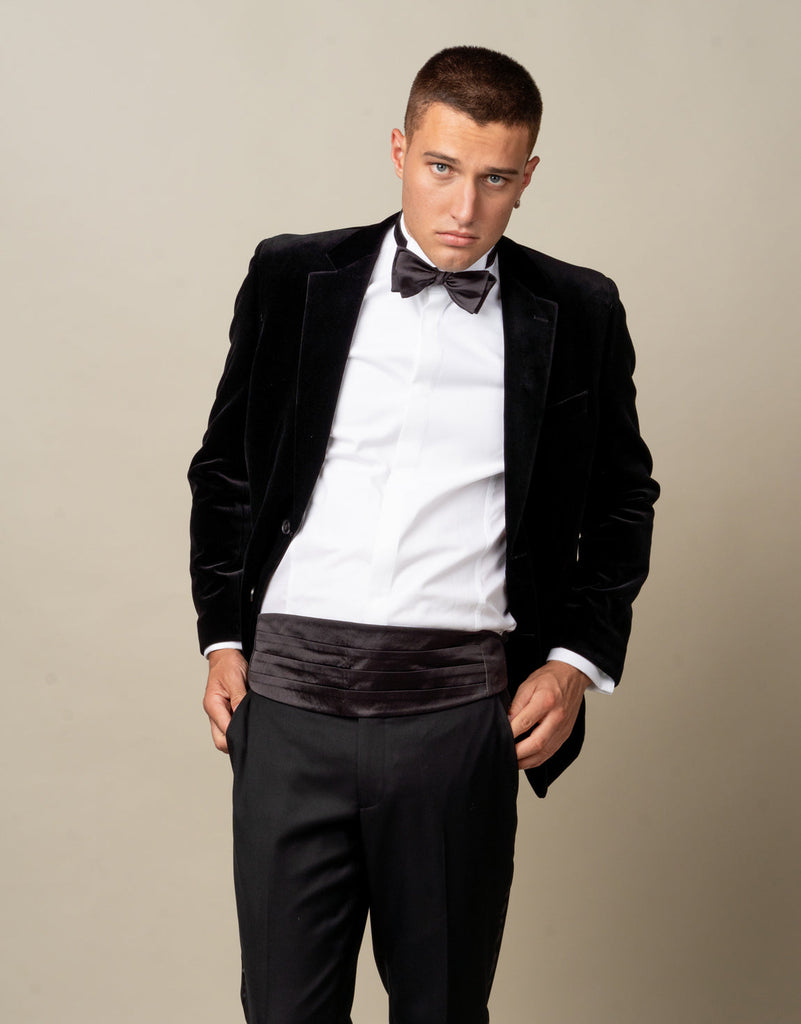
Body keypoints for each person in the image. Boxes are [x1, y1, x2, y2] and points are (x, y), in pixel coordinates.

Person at [189, 45, 658, 1024]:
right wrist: (223, 637)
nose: (464, 207)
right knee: (282, 1010)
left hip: (458, 716)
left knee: (441, 1008)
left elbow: (622, 498)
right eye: (442, 168)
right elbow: (228, 469)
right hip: (288, 703)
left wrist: (572, 663)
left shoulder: (578, 310)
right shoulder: (292, 276)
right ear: (400, 150)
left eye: (495, 180)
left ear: (527, 176)